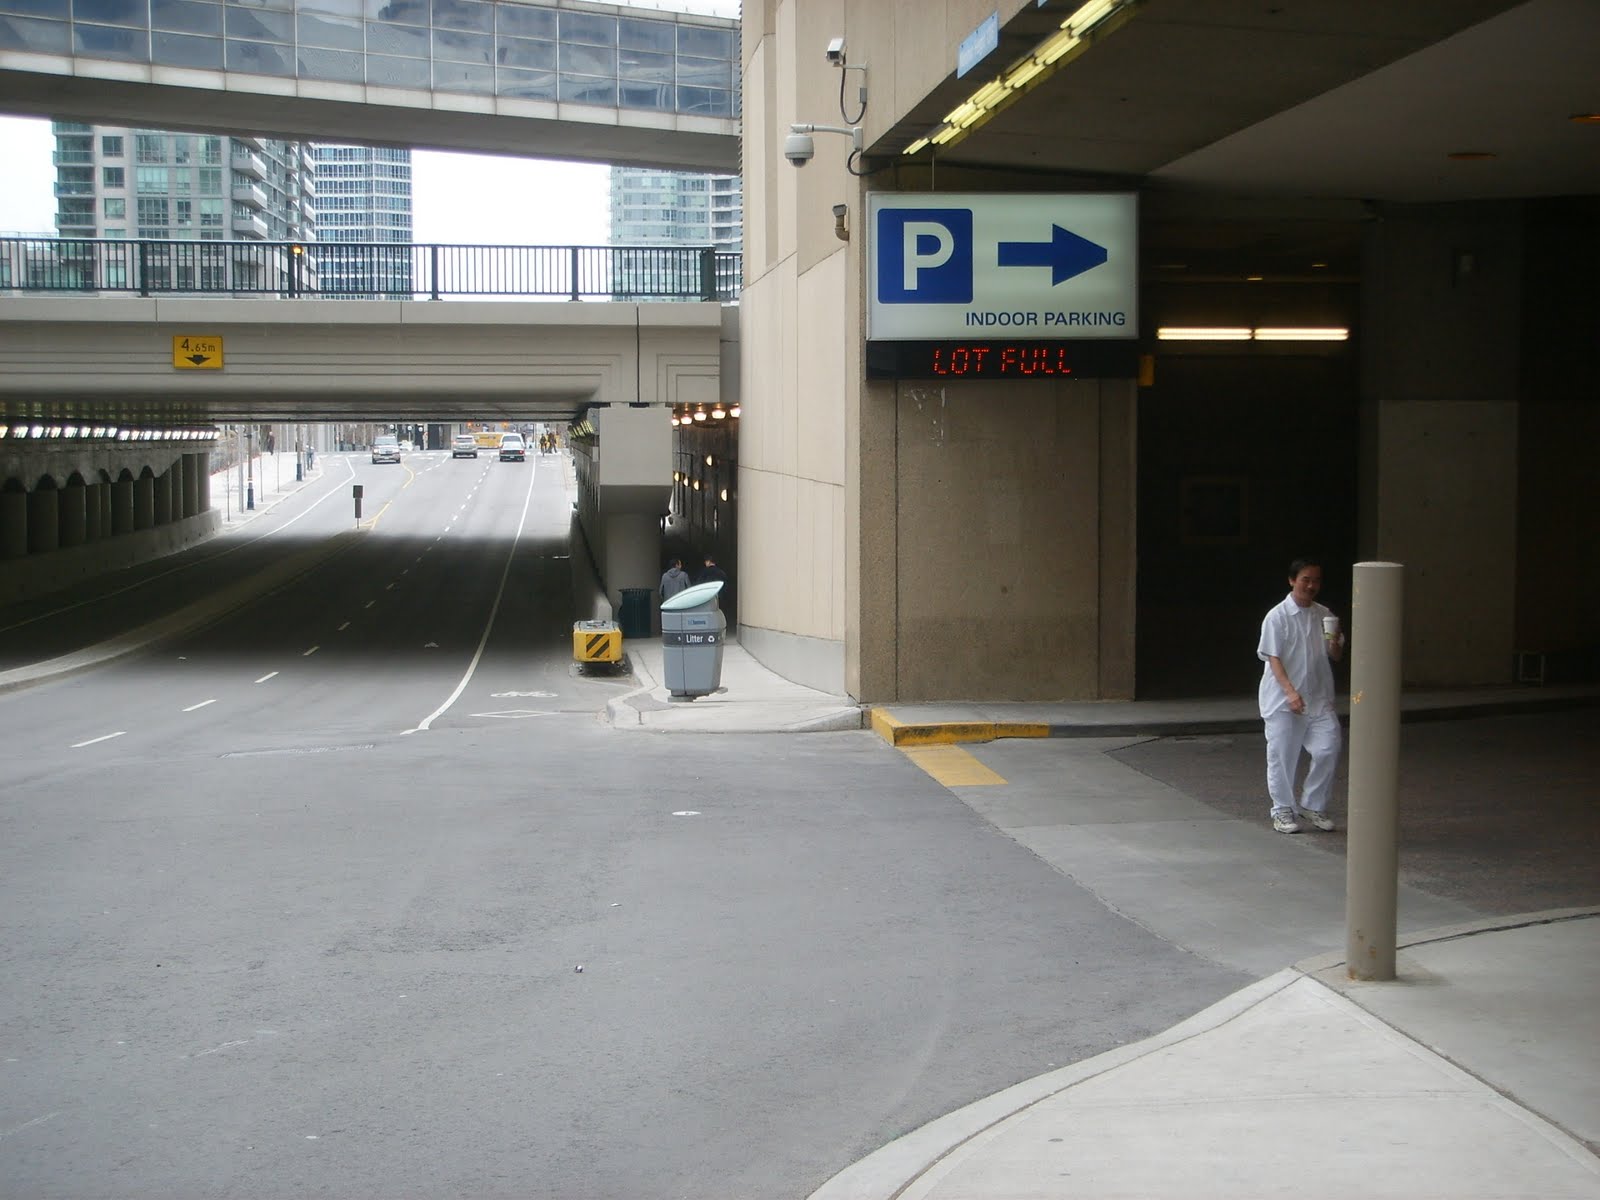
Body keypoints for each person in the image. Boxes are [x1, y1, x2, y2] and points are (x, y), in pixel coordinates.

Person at [1257, 556, 1346, 834]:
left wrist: (1334, 642)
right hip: (1284, 700)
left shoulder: (1324, 614)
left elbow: (1336, 655)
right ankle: (1282, 810)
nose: (1311, 585)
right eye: (1305, 579)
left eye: (1316, 580)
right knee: (1283, 756)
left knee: (1328, 747)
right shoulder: (1277, 616)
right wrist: (1290, 693)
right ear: (1292, 580)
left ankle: (1312, 804)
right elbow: (1273, 657)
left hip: (1318, 698)